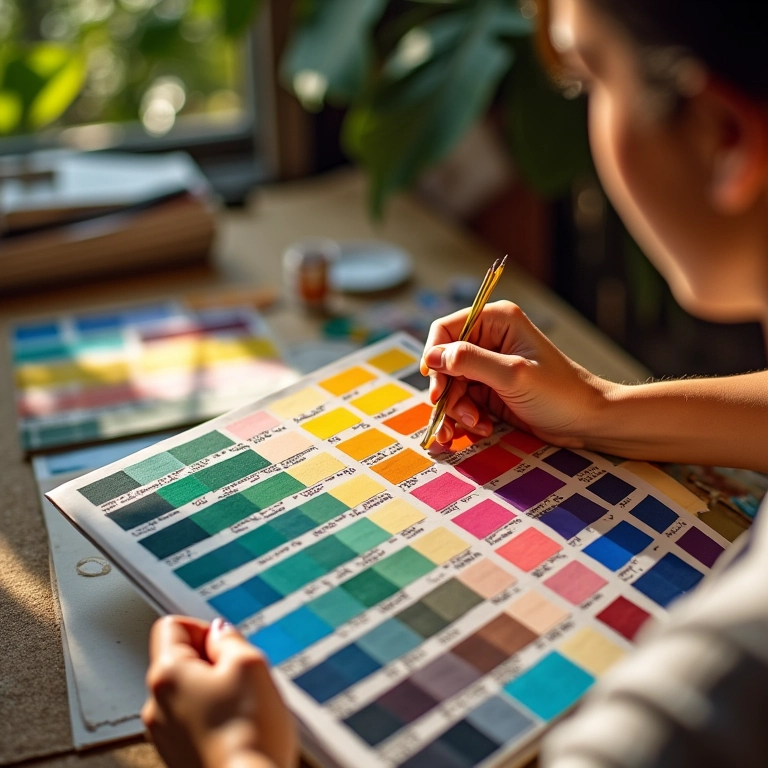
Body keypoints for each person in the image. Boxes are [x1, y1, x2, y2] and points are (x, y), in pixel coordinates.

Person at [141, 0, 768, 765]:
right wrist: (601, 408)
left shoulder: (711, 684)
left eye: (589, 78)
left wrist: (235, 754)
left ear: (723, 138)